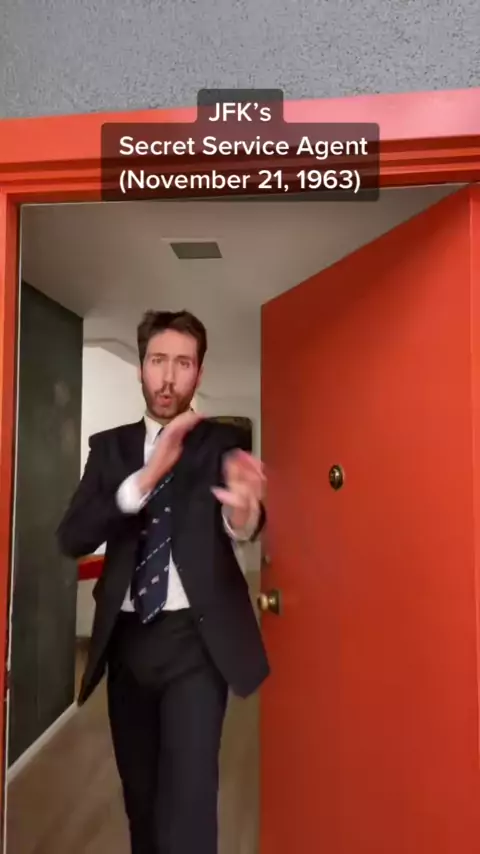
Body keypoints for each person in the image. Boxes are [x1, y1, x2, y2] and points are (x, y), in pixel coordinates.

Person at [56, 309, 270, 854]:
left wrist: (244, 513)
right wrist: (145, 479)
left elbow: (243, 520)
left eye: (183, 363)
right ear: (141, 367)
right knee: (142, 801)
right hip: (127, 644)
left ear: (199, 372)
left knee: (191, 802)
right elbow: (73, 536)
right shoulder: (109, 448)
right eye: (157, 361)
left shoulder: (223, 443)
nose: (168, 377)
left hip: (194, 644)